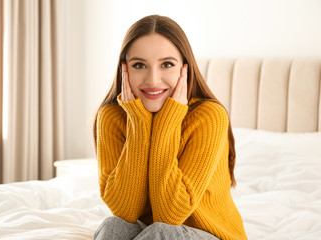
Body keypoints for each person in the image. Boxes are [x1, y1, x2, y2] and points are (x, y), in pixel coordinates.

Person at [92, 15, 247, 240]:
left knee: (162, 233)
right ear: (124, 70)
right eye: (139, 65)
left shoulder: (210, 117)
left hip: (211, 234)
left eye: (167, 64)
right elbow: (125, 211)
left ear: (185, 68)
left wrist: (169, 119)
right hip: (150, 233)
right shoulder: (112, 117)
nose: (153, 80)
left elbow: (170, 214)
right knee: (113, 227)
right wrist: (138, 121)